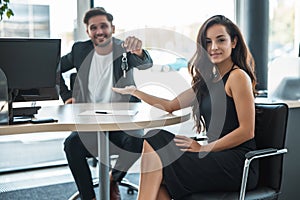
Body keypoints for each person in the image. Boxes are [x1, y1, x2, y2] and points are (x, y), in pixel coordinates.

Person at [113, 15, 259, 200]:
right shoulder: (208, 81)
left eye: (220, 40)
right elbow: (170, 105)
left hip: (238, 163)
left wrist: (203, 148)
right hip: (216, 156)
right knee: (155, 142)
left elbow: (247, 132)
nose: (213, 47)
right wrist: (135, 91)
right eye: (208, 42)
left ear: (234, 42)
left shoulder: (237, 77)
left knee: (157, 156)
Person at [59, 7, 153, 200]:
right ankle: (89, 196)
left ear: (113, 28)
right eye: (94, 27)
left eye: (104, 26)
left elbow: (146, 64)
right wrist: (67, 96)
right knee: (72, 145)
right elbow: (53, 68)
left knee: (138, 140)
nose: (99, 31)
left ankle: (113, 179)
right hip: (90, 124)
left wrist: (140, 52)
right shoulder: (79, 50)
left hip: (121, 123)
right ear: (88, 31)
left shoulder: (124, 48)